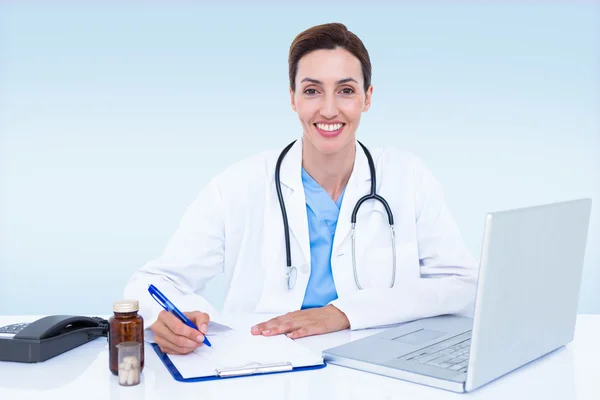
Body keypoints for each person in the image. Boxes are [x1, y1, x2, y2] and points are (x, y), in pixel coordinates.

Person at [124, 22, 478, 355]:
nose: (328, 109)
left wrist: (344, 313)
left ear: (367, 98)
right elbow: (154, 281)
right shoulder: (239, 185)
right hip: (262, 367)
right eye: (312, 90)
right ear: (293, 98)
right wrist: (169, 318)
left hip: (379, 368)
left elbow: (463, 285)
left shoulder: (408, 176)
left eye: (346, 90)